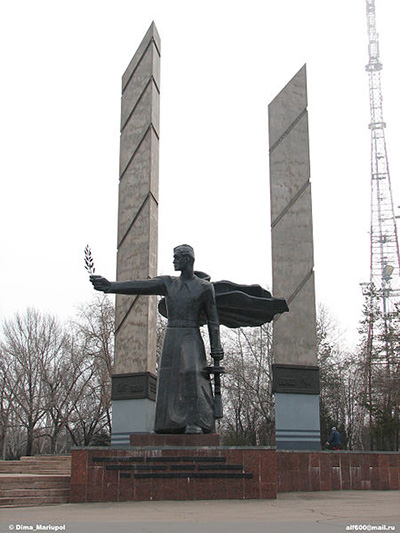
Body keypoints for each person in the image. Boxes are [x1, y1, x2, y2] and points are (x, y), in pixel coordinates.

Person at [90, 244, 223, 435]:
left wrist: (216, 346)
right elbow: (141, 286)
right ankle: (170, 424)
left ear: (188, 259)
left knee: (192, 371)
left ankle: (195, 420)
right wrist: (111, 286)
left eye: (177, 257)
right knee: (169, 378)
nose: (173, 260)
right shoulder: (168, 283)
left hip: (191, 335)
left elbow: (213, 321)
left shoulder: (204, 288)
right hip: (172, 334)